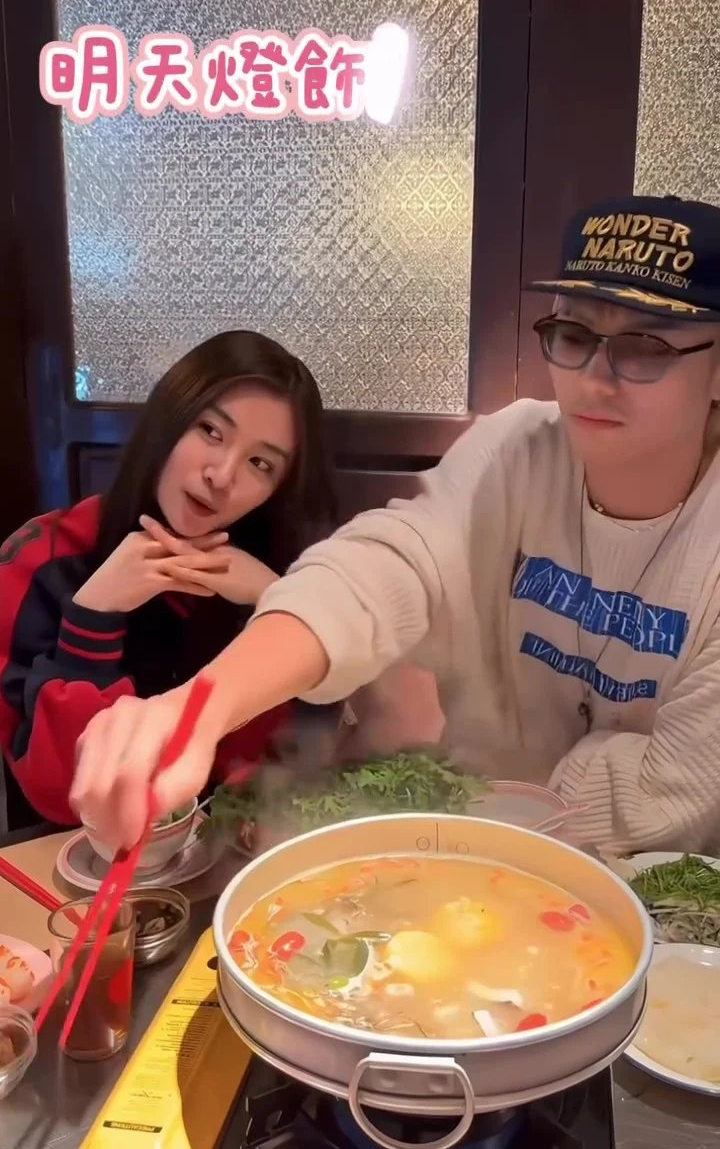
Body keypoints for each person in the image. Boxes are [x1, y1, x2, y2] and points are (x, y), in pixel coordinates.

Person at [71, 195, 720, 856]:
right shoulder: (516, 450)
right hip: (471, 849)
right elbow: (383, 566)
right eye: (575, 336)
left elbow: (673, 794)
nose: (593, 380)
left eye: (646, 347)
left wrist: (513, 783)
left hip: (658, 891)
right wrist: (199, 708)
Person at [0, 329, 338, 825]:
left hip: (228, 852)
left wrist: (276, 604)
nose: (221, 475)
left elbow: (296, 771)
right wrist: (93, 616)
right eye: (211, 431)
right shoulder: (40, 560)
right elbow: (61, 800)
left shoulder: (286, 575)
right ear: (169, 419)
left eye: (260, 463)